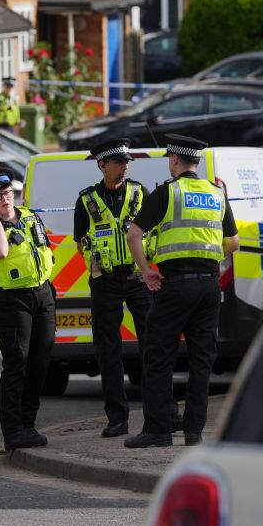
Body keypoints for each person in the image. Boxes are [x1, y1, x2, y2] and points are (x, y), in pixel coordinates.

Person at [122, 135, 239, 448]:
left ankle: (158, 431)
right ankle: (193, 433)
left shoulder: (167, 192)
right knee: (202, 361)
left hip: (175, 286)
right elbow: (233, 242)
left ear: (174, 160)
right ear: (195, 162)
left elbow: (134, 234)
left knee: (158, 357)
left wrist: (147, 271)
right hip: (209, 287)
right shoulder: (217, 193)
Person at [74, 139, 154, 438]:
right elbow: (80, 240)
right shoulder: (85, 200)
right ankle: (117, 418)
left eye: (126, 161)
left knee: (153, 345)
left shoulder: (140, 192)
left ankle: (158, 413)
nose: (125, 165)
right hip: (105, 282)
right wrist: (91, 264)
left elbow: (154, 231)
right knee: (108, 351)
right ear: (102, 165)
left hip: (137, 279)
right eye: (119, 161)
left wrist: (150, 264)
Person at [0, 167, 56, 451]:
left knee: (39, 363)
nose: (5, 199)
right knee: (16, 364)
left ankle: (29, 426)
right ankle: (13, 432)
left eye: (8, 193)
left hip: (43, 295)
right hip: (14, 302)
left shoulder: (32, 217)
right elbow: (0, 252)